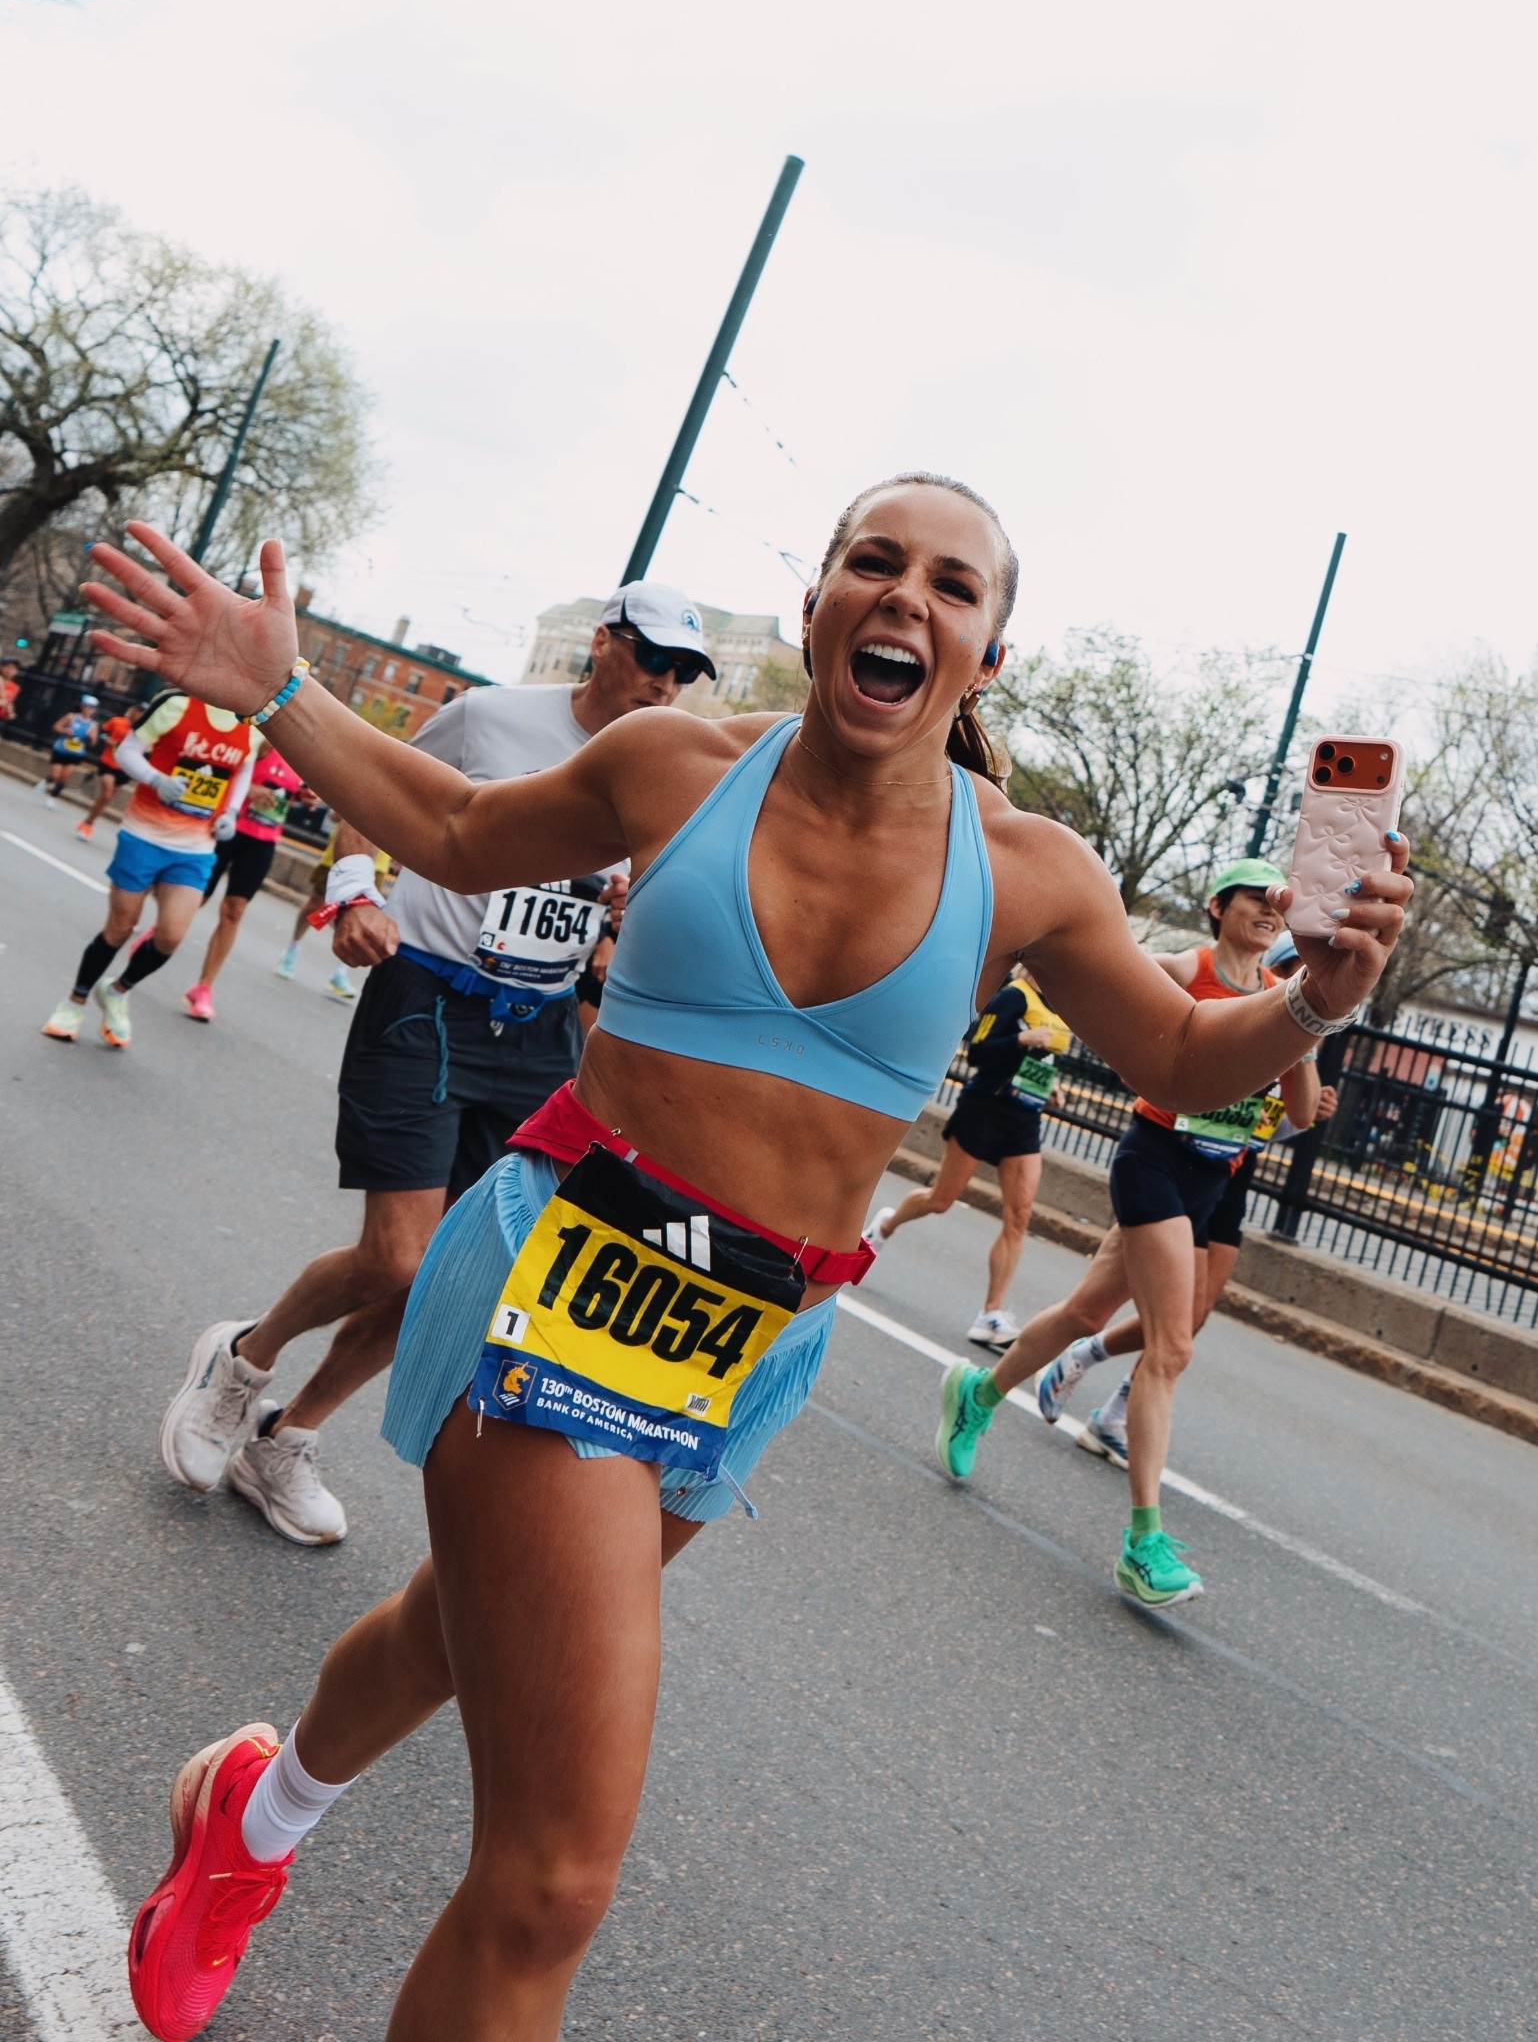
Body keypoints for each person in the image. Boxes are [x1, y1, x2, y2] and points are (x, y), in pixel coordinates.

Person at [81, 487, 1408, 2042]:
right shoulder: (677, 766)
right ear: (816, 608)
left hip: (753, 1340)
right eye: (872, 562)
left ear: (987, 650)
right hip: (562, 1274)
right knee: (555, 1878)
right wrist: (284, 690)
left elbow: (1182, 1056)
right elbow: (448, 827)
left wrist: (1318, 1002)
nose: (905, 597)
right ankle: (257, 1832)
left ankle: (252, 1816)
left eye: (950, 585)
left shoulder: (1032, 870)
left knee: (461, 1629)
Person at [155, 581, 707, 1547]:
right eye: (652, 658)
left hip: (539, 1034)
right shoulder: (493, 716)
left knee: (441, 1279)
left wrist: (623, 921)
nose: (663, 684)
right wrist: (357, 891)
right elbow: (367, 786)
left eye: (682, 673)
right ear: (603, 643)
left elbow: (630, 921)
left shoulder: (670, 781)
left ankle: (285, 1439)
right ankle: (242, 1361)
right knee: (398, 1252)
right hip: (427, 997)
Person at [936, 859, 1326, 1606]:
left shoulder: (1285, 998)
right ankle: (1142, 1543)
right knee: (1171, 1347)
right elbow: (1110, 986)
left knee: (1086, 1314)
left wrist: (1302, 1033)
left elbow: (1302, 1114)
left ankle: (979, 1394)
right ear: (1219, 906)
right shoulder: (1190, 964)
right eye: (1255, 899)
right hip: (1154, 1159)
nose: (1271, 912)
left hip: (1213, 1179)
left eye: (1279, 904)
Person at [1064, 925, 1338, 1467]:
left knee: (1190, 1320)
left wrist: (1301, 1088)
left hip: (1229, 1172)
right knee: (1115, 1315)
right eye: (1285, 973)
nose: (1290, 984)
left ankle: (1113, 1408)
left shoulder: (1307, 1028)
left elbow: (1287, 1120)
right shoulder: (1237, 1005)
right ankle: (1073, 1361)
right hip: (1170, 1158)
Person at [865, 966, 1069, 1348]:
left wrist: (1050, 1087)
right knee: (941, 1200)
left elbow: (1041, 1062)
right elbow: (977, 1052)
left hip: (1024, 1120)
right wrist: (1022, 1038)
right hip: (984, 1109)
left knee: (1019, 1216)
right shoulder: (1014, 996)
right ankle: (885, 1227)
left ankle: (990, 1314)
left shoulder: (1057, 1007)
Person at [40, 691, 256, 1047]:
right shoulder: (177, 705)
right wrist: (157, 780)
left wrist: (231, 811)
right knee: (120, 927)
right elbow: (126, 752)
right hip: (144, 834)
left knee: (171, 936)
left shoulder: (253, 719)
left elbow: (244, 767)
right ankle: (74, 1003)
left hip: (197, 846)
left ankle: (118, 991)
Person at [181, 750, 317, 1020]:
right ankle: (161, 936)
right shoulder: (261, 741)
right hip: (228, 829)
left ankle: (204, 987)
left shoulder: (302, 754)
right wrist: (249, 790)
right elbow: (223, 770)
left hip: (263, 840)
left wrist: (305, 797)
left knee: (235, 909)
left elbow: (295, 791)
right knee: (197, 895)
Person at [273, 827, 392, 994]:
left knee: (363, 918)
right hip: (344, 857)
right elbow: (336, 815)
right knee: (316, 904)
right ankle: (292, 949)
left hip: (378, 864)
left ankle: (340, 972)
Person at [74, 704, 139, 840]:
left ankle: (88, 821)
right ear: (133, 711)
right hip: (109, 762)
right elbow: (103, 732)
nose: (140, 715)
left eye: (143, 713)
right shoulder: (117, 722)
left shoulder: (144, 730)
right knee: (107, 794)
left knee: (105, 799)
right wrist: (108, 740)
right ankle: (88, 824)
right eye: (138, 711)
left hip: (124, 768)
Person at [37, 694, 99, 798]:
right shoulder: (71, 717)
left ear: (95, 710)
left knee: (64, 776)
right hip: (61, 749)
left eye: (92, 707)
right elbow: (56, 726)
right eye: (87, 706)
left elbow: (94, 743)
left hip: (76, 753)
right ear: (82, 706)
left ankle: (52, 798)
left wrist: (92, 737)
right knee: (55, 775)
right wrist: (65, 731)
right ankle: (47, 780)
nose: (89, 709)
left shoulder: (93, 725)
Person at [0, 656, 20, 725]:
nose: (9, 670)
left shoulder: (15, 687)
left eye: (13, 668)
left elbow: (9, 702)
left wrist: (10, 712)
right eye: (7, 667)